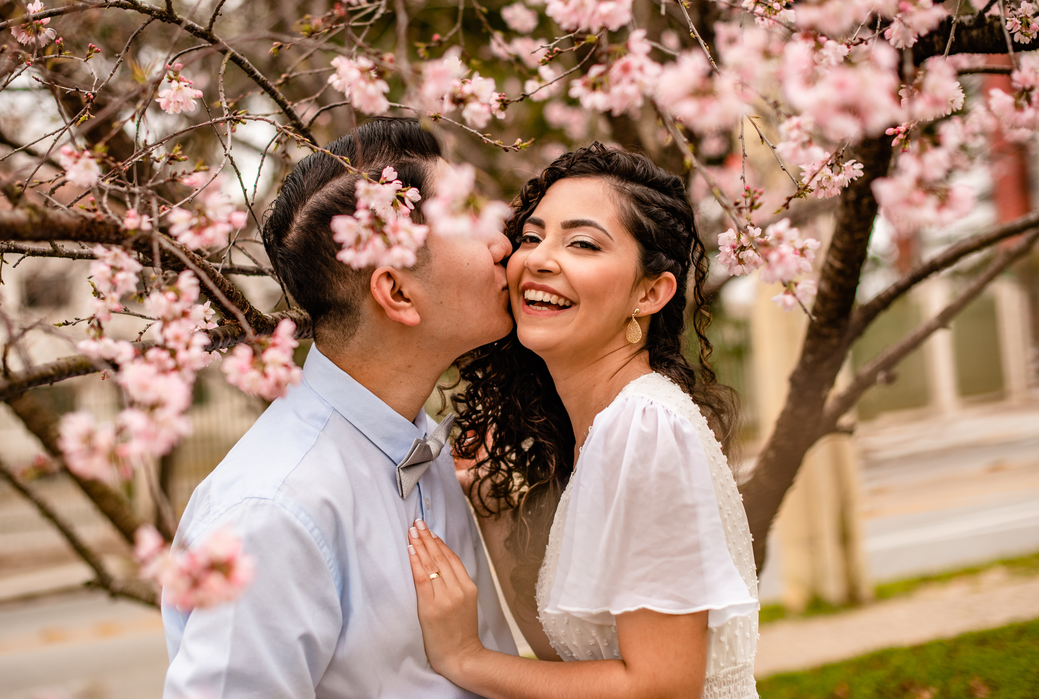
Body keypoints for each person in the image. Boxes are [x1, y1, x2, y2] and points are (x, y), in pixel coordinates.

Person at [162, 117, 519, 698]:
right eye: (471, 221)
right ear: (398, 292)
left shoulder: (424, 450)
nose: (503, 243)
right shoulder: (274, 512)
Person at [406, 143, 760, 698]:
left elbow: (661, 688)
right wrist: (492, 505)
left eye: (582, 243)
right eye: (531, 237)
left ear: (650, 293)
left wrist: (465, 658)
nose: (540, 259)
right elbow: (576, 661)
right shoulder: (596, 431)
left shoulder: (645, 428)